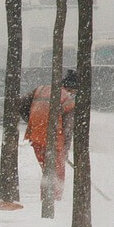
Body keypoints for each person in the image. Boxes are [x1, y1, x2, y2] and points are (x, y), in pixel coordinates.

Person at [18, 69, 77, 200]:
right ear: (73, 88)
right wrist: (65, 150)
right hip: (55, 140)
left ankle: (46, 199)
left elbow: (21, 105)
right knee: (57, 174)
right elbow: (68, 129)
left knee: (47, 170)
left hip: (36, 137)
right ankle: (53, 202)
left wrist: (33, 122)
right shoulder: (68, 99)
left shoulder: (41, 89)